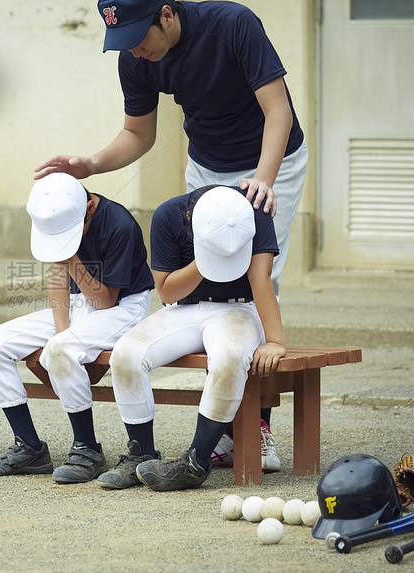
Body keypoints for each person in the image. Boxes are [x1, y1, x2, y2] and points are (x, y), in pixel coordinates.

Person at [35, 0, 307, 471]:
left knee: (253, 281)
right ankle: (222, 422)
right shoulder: (136, 56)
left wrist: (262, 181)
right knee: (205, 283)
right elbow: (138, 133)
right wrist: (91, 165)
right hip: (206, 166)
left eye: (141, 36)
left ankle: (256, 427)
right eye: (124, 42)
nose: (135, 50)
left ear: (166, 13)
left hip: (270, 160)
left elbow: (278, 111)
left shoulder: (232, 25)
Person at [96, 185, 284, 490]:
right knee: (126, 353)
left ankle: (196, 461)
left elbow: (260, 278)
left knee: (230, 358)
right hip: (183, 308)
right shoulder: (169, 215)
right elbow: (167, 291)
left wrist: (274, 341)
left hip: (239, 309)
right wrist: (207, 257)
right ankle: (140, 453)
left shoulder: (253, 211)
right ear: (189, 218)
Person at [0, 172, 154, 484]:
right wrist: (61, 331)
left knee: (61, 350)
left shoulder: (120, 226)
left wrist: (69, 256)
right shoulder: (57, 212)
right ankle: (29, 448)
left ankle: (87, 449)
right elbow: (58, 278)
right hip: (78, 302)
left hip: (125, 307)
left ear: (89, 207)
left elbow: (104, 302)